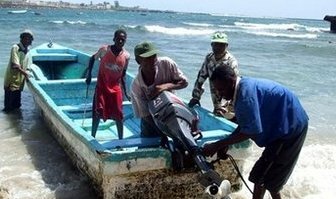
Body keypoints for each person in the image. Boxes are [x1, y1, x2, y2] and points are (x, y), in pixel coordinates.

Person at [202, 64, 309, 199]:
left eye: (222, 89)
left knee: (261, 177)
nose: (220, 94)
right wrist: (225, 144)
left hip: (290, 129)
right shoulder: (242, 88)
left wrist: (217, 145)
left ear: (231, 81)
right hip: (282, 126)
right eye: (217, 90)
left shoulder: (245, 96)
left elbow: (251, 131)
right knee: (267, 177)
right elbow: (244, 124)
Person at [130, 41, 188, 138]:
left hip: (172, 112)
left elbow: (184, 82)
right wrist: (164, 131)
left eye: (154, 56)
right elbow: (145, 115)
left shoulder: (167, 64)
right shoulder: (136, 86)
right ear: (138, 61)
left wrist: (164, 87)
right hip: (151, 121)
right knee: (148, 144)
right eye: (147, 58)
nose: (152, 60)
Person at [85, 29, 130, 139]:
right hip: (102, 87)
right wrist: (89, 74)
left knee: (119, 115)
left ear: (125, 41)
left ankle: (121, 140)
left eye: (122, 40)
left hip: (116, 89)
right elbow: (92, 58)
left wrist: (126, 92)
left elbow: (123, 75)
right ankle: (92, 137)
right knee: (97, 113)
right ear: (114, 39)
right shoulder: (104, 50)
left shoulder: (126, 56)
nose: (120, 41)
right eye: (118, 39)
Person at [188, 31, 239, 119]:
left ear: (226, 46)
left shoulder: (231, 62)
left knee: (226, 119)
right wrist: (196, 96)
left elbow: (234, 87)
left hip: (227, 101)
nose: (218, 47)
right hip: (215, 97)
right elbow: (201, 77)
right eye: (216, 44)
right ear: (212, 45)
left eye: (221, 44)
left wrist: (224, 106)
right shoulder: (209, 58)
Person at [3, 29, 34, 113]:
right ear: (22, 39)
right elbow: (15, 65)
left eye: (30, 38)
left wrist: (28, 74)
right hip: (11, 81)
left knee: (17, 106)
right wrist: (26, 74)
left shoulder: (28, 51)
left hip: (20, 83)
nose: (29, 40)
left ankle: (16, 124)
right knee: (8, 107)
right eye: (26, 38)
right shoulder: (15, 47)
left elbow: (29, 66)